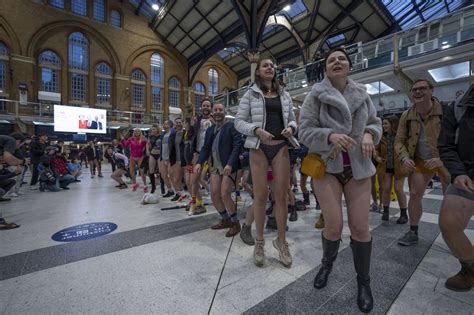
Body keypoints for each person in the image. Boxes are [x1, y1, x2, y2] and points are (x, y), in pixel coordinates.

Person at [299, 47, 382, 313]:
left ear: (349, 66)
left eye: (341, 59)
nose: (336, 62)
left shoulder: (362, 94)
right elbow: (304, 132)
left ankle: (364, 282)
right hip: (328, 166)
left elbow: (376, 123)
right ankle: (327, 264)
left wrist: (369, 133)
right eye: (331, 60)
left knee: (360, 228)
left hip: (358, 166)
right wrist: (330, 136)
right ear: (326, 68)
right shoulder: (316, 95)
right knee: (333, 226)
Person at [235, 56, 299, 268]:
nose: (270, 68)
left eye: (272, 65)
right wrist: (255, 130)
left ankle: (281, 242)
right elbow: (239, 122)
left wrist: (291, 127)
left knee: (281, 196)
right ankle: (259, 242)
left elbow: (291, 118)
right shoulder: (250, 94)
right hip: (258, 147)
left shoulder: (284, 93)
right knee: (260, 197)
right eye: (265, 65)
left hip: (281, 146)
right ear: (258, 71)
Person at [394, 79, 450, 246]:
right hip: (419, 160)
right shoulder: (407, 115)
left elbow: (459, 138)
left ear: (432, 91)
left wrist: (442, 159)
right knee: (415, 193)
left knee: (451, 197)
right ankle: (413, 231)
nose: (417, 92)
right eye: (414, 90)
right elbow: (398, 141)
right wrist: (405, 157)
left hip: (444, 159)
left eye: (422, 88)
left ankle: (452, 232)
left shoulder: (446, 111)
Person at [438, 94, 474, 291]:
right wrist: (458, 172)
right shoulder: (458, 106)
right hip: (467, 173)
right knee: (449, 223)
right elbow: (446, 145)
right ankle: (470, 268)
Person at [194, 103, 243, 236]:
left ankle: (235, 222)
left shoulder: (232, 126)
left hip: (229, 166)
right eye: (215, 110)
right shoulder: (210, 130)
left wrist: (231, 164)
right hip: (215, 167)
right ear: (212, 113)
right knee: (215, 194)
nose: (217, 112)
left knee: (225, 194)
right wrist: (199, 162)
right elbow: (205, 148)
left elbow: (238, 145)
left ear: (224, 111)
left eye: (220, 109)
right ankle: (225, 219)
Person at [375, 116, 408, 222]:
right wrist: (377, 157)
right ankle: (386, 212)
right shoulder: (381, 136)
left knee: (398, 189)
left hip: (399, 167)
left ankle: (404, 214)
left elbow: (407, 149)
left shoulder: (401, 136)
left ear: (392, 124)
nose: (383, 126)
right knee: (386, 189)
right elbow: (376, 149)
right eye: (383, 124)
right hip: (385, 167)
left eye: (386, 123)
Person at [188, 99, 214, 215]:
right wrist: (191, 125)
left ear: (211, 107)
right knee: (194, 180)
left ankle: (220, 202)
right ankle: (195, 203)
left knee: (215, 178)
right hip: (199, 152)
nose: (206, 107)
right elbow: (190, 136)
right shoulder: (196, 120)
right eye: (204, 105)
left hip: (212, 153)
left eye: (208, 106)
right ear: (201, 107)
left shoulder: (215, 119)